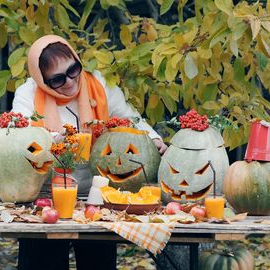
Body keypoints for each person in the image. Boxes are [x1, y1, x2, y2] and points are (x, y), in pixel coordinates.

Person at [12, 34, 167, 270]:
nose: (70, 81)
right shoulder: (27, 95)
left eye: (73, 69)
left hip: (97, 192)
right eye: (57, 79)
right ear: (41, 80)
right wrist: (54, 139)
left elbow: (128, 117)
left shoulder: (98, 83)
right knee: (42, 262)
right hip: (46, 195)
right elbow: (18, 135)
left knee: (98, 263)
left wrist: (153, 138)